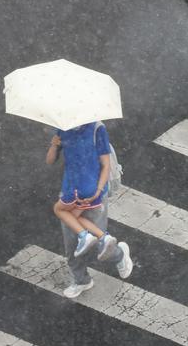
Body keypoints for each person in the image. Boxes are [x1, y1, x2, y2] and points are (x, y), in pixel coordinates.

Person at [46, 123, 133, 298]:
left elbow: (105, 165)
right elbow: (49, 161)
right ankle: (81, 280)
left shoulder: (97, 129)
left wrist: (98, 192)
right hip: (70, 193)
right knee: (72, 244)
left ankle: (119, 255)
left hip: (93, 192)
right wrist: (54, 145)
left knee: (97, 247)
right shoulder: (63, 129)